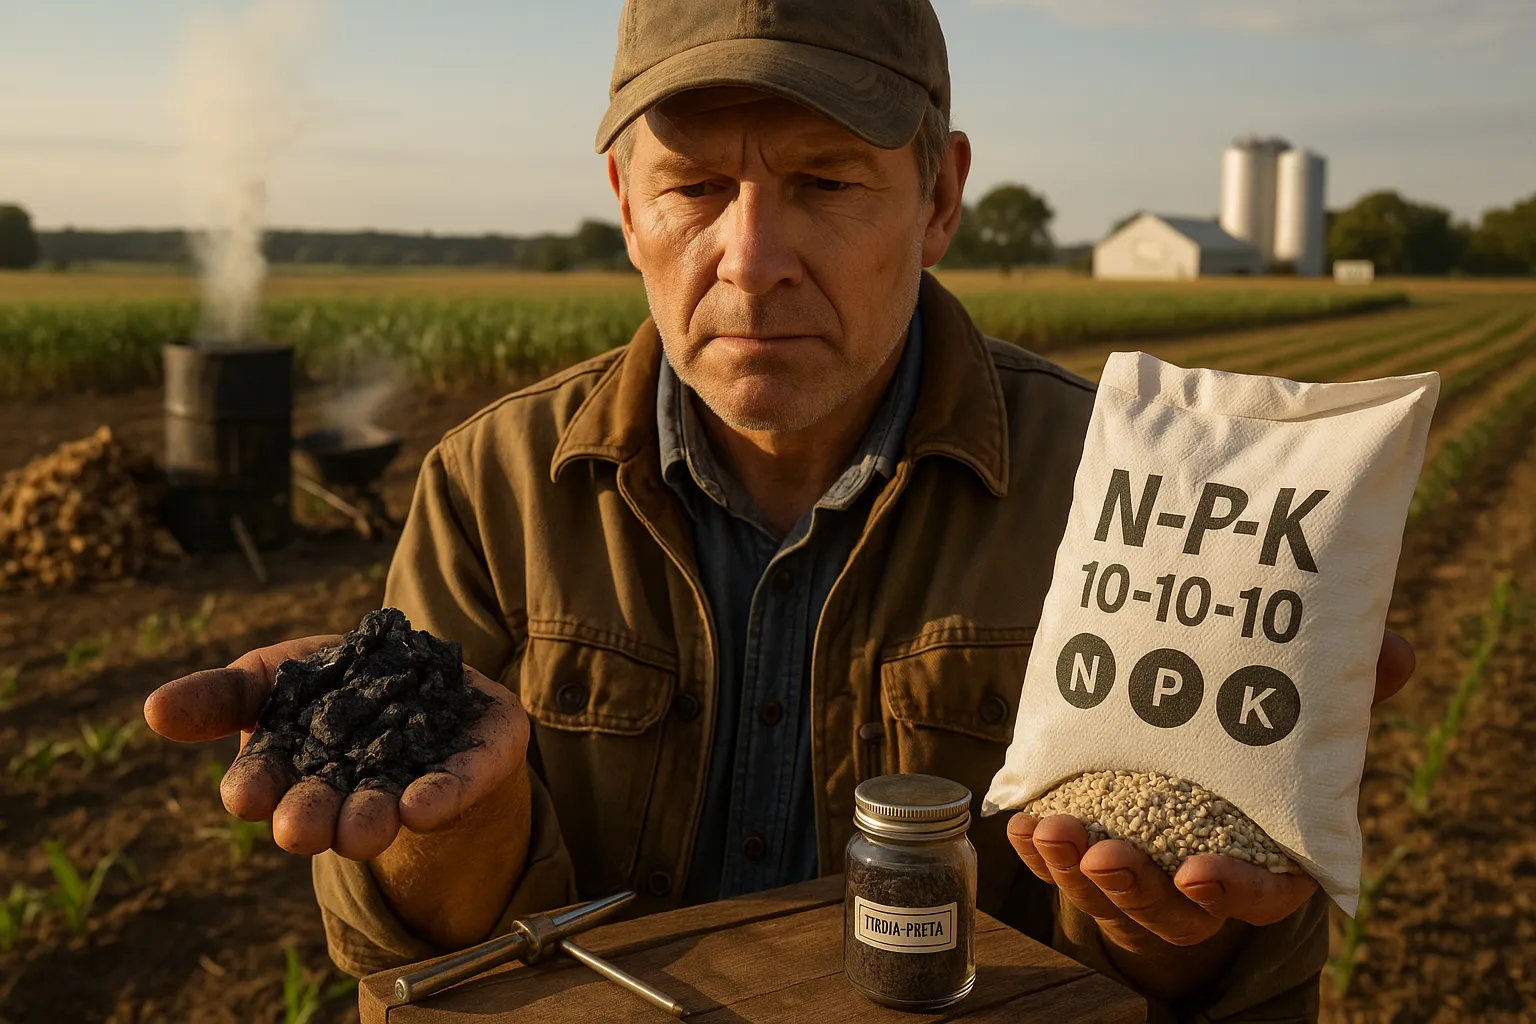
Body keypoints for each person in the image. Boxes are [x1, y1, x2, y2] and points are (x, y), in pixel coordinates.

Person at [143, 1, 1417, 1019]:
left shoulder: (1131, 491)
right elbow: (416, 959)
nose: (751, 259)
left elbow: (1230, 975)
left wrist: (1163, 924)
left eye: (824, 182)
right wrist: (459, 820)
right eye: (694, 188)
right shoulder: (493, 485)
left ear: (938, 197)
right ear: (624, 201)